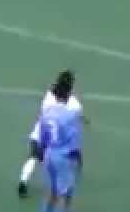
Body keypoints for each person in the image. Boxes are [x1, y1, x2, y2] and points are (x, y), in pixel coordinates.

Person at [18, 71, 84, 199]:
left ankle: (23, 181)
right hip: (56, 141)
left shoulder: (48, 97)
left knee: (33, 158)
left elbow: (54, 89)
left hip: (40, 134)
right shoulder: (75, 106)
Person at [36, 72, 85, 212]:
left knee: (52, 192)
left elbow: (43, 137)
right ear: (68, 95)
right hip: (62, 157)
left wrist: (42, 153)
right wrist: (78, 159)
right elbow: (74, 142)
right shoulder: (70, 115)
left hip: (49, 155)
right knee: (66, 193)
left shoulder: (47, 112)